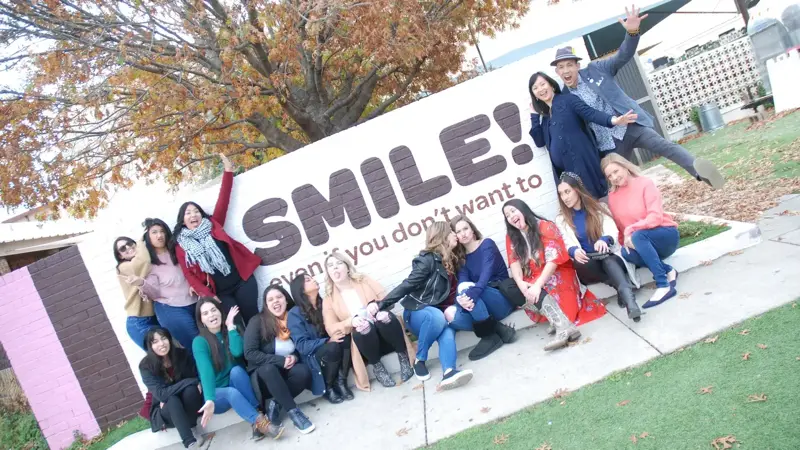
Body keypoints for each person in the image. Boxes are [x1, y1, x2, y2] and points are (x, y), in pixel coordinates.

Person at [552, 5, 724, 189]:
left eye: (569, 65)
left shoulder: (597, 70)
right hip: (608, 145)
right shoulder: (564, 97)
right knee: (617, 182)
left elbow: (623, 55)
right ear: (557, 71)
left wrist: (632, 32)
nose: (566, 70)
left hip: (630, 125)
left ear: (578, 66)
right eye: (561, 67)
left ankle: (701, 173)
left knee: (666, 146)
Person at [367, 222, 473, 391]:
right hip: (416, 312)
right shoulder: (427, 260)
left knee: (446, 330)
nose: (455, 234)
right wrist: (381, 304)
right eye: (451, 232)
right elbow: (407, 285)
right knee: (437, 317)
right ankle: (420, 359)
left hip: (438, 315)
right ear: (442, 237)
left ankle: (449, 372)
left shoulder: (452, 260)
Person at [503, 199, 607, 351]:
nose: (511, 216)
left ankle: (563, 326)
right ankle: (561, 324)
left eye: (513, 211)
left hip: (556, 273)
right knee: (506, 286)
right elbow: (514, 263)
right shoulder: (512, 236)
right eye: (507, 215)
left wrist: (538, 285)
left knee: (548, 292)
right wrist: (521, 284)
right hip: (532, 278)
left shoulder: (545, 226)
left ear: (523, 209)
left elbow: (553, 260)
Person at [172, 154, 261, 326]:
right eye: (188, 213)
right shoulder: (181, 245)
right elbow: (188, 274)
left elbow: (223, 200)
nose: (193, 215)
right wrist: (208, 295)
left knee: (254, 320)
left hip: (243, 281)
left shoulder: (213, 224)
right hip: (220, 293)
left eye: (196, 211)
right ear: (182, 220)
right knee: (235, 326)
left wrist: (228, 171)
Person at [528, 71, 638, 199]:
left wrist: (614, 120)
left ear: (551, 85)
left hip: (583, 162)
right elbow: (539, 141)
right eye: (535, 88)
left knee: (597, 198)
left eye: (543, 84)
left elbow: (591, 113)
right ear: (534, 95)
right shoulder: (546, 119)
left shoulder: (568, 100)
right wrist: (534, 116)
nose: (540, 89)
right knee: (584, 204)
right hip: (567, 172)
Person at [554, 172, 642, 322]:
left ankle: (630, 301)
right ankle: (623, 290)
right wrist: (573, 251)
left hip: (609, 255)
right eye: (561, 194)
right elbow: (565, 242)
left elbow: (611, 230)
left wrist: (604, 239)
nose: (565, 197)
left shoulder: (599, 208)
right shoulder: (561, 219)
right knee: (583, 262)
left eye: (567, 192)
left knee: (609, 261)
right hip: (589, 263)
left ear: (577, 189)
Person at [192, 298, 283, 440]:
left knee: (237, 371)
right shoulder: (199, 342)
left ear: (220, 312)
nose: (211, 315)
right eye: (205, 313)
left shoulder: (231, 330)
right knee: (231, 392)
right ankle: (264, 424)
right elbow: (206, 371)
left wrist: (230, 327)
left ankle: (256, 420)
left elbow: (238, 352)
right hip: (216, 395)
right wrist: (209, 398)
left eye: (213, 310)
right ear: (201, 320)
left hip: (236, 384)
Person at [322, 251, 416, 389]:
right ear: (328, 272)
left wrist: (378, 305)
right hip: (367, 344)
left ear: (347, 267)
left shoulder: (363, 280)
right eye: (330, 265)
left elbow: (388, 300)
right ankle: (378, 367)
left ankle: (404, 358)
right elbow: (331, 328)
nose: (334, 267)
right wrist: (351, 322)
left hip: (388, 334)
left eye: (338, 263)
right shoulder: (329, 299)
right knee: (362, 329)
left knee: (385, 317)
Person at [601, 153, 680, 308]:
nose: (614, 177)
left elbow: (655, 217)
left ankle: (663, 285)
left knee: (638, 236)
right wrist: (625, 243)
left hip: (665, 235)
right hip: (641, 243)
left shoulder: (645, 183)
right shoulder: (613, 196)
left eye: (616, 171)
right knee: (626, 253)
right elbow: (620, 226)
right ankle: (669, 270)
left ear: (625, 166)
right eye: (609, 175)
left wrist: (632, 229)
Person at [244, 285, 315, 434]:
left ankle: (276, 404)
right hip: (264, 376)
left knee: (303, 371)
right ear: (265, 304)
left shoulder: (293, 318)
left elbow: (299, 347)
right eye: (270, 299)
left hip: (285, 372)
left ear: (286, 299)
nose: (275, 302)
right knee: (269, 369)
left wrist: (294, 357)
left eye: (279, 297)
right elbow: (250, 353)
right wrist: (279, 360)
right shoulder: (257, 321)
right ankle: (295, 413)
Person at [449, 215, 517, 361]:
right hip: (482, 305)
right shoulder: (462, 259)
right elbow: (462, 284)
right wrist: (461, 300)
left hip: (501, 299)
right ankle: (497, 329)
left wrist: (469, 294)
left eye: (465, 228)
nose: (464, 233)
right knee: (453, 317)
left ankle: (489, 337)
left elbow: (485, 276)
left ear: (472, 229)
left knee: (469, 290)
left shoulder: (487, 244)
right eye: (459, 232)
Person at [125, 219, 199, 350]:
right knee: (196, 345)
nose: (159, 235)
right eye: (154, 232)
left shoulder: (178, 251)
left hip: (195, 302)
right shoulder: (149, 263)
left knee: (210, 340)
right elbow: (154, 293)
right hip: (171, 308)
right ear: (148, 237)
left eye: (162, 231)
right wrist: (141, 283)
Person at [287, 274, 353, 405]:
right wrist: (327, 341)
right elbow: (302, 346)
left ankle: (341, 381)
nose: (314, 280)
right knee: (333, 346)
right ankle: (328, 387)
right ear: (301, 289)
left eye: (312, 278)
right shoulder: (295, 313)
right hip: (313, 357)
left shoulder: (324, 304)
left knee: (344, 337)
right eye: (308, 280)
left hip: (331, 350)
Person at [139, 327, 206, 449]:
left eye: (164, 338)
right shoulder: (145, 366)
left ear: (169, 339)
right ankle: (190, 442)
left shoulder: (182, 355)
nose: (161, 344)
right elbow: (161, 395)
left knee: (191, 390)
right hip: (167, 410)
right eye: (155, 342)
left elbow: (193, 381)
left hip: (188, 403)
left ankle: (192, 427)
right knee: (171, 399)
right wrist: (189, 381)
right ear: (150, 346)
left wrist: (190, 382)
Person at [114, 236, 159, 350]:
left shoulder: (142, 267)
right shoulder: (123, 267)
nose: (128, 247)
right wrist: (139, 241)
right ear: (120, 256)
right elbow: (143, 260)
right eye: (123, 249)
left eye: (129, 243)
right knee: (158, 357)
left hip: (153, 317)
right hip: (139, 321)